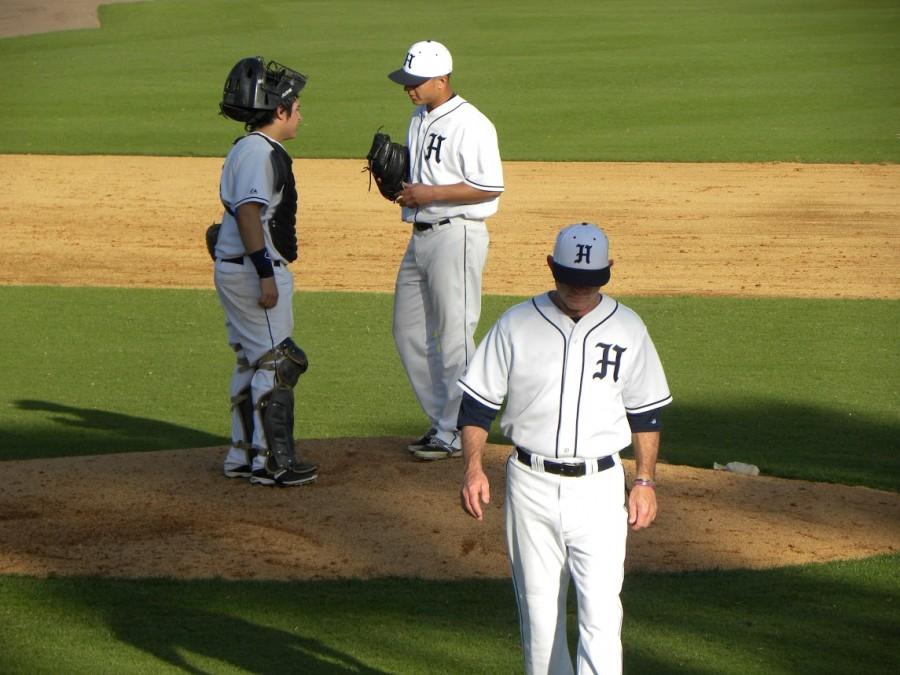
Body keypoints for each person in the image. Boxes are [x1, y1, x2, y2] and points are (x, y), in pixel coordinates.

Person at [458, 223, 672, 674]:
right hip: (530, 485)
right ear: (550, 267)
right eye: (570, 278)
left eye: (590, 281)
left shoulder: (629, 328)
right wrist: (474, 468)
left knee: (600, 613)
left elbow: (646, 414)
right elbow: (477, 405)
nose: (579, 290)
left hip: (599, 489)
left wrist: (645, 480)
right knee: (539, 619)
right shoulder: (516, 323)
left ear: (608, 272)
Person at [386, 40, 505, 460]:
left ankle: (459, 429)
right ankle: (443, 422)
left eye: (417, 82)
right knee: (407, 331)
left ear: (442, 79)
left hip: (458, 235)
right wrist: (405, 190)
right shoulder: (418, 118)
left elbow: (489, 186)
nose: (410, 88)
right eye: (407, 82)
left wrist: (429, 192)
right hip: (419, 236)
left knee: (455, 336)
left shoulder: (473, 124)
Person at [213, 56, 317, 487]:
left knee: (250, 360)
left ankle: (243, 454)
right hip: (255, 270)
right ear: (279, 112)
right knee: (280, 362)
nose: (300, 114)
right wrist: (264, 274)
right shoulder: (259, 152)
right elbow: (250, 214)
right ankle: (273, 463)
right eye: (295, 106)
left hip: (236, 266)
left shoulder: (246, 149)